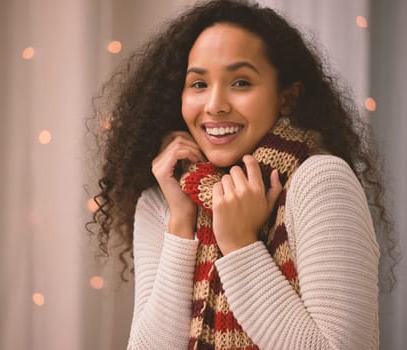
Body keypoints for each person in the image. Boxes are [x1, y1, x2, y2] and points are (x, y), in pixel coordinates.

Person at [87, 0, 396, 349]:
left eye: (241, 82)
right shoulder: (164, 197)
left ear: (287, 99)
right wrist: (180, 223)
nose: (215, 105)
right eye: (199, 84)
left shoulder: (320, 182)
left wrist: (239, 244)